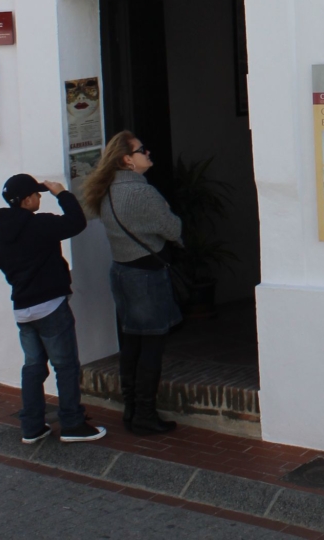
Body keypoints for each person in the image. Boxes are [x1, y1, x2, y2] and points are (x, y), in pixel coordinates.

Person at [0, 174, 107, 444]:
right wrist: (62, 193)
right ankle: (72, 424)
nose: (40, 197)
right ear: (27, 200)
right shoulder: (40, 224)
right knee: (65, 366)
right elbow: (77, 222)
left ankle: (32, 427)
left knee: (33, 368)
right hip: (50, 307)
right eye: (37, 194)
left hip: (23, 311)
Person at [83, 131, 181, 436]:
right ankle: (145, 414)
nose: (147, 153)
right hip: (146, 276)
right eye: (142, 150)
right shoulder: (142, 193)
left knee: (132, 344)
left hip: (122, 272)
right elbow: (173, 229)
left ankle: (131, 410)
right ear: (127, 159)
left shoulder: (106, 190)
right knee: (151, 346)